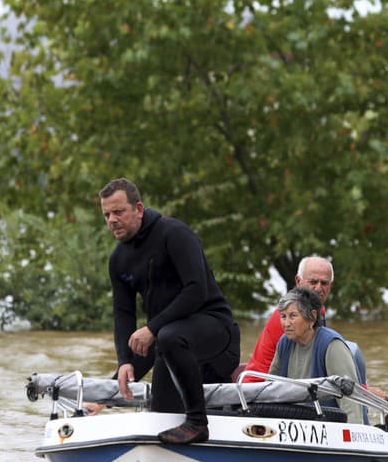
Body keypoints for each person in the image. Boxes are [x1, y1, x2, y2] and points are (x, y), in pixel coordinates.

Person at [98, 178, 240, 444]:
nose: (112, 220)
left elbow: (197, 290)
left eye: (119, 212)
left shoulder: (173, 233)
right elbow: (123, 314)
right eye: (106, 215)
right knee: (161, 416)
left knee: (167, 336)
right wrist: (124, 362)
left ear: (138, 209)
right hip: (169, 340)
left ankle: (198, 423)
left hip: (216, 332)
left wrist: (151, 328)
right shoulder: (118, 260)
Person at [267, 287, 367, 423]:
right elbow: (270, 388)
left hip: (330, 425)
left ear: (312, 317)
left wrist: (352, 435)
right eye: (283, 316)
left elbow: (351, 402)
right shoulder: (284, 343)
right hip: (298, 425)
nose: (286, 323)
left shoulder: (332, 345)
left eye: (293, 316)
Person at [245, 256, 334, 374]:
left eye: (324, 283)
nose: (318, 288)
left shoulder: (319, 311)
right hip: (262, 385)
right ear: (298, 281)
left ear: (330, 285)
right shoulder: (288, 316)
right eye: (313, 282)